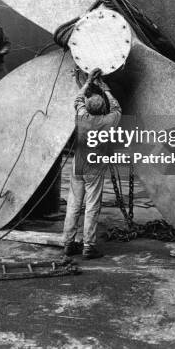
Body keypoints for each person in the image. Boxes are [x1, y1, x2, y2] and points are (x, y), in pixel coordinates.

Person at [63, 67, 122, 259]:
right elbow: (117, 107)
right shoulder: (109, 121)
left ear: (87, 107)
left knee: (73, 205)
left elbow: (78, 100)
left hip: (78, 165)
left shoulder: (82, 117)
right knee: (92, 205)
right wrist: (105, 89)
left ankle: (68, 243)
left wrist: (88, 82)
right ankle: (88, 246)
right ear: (102, 108)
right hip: (94, 168)